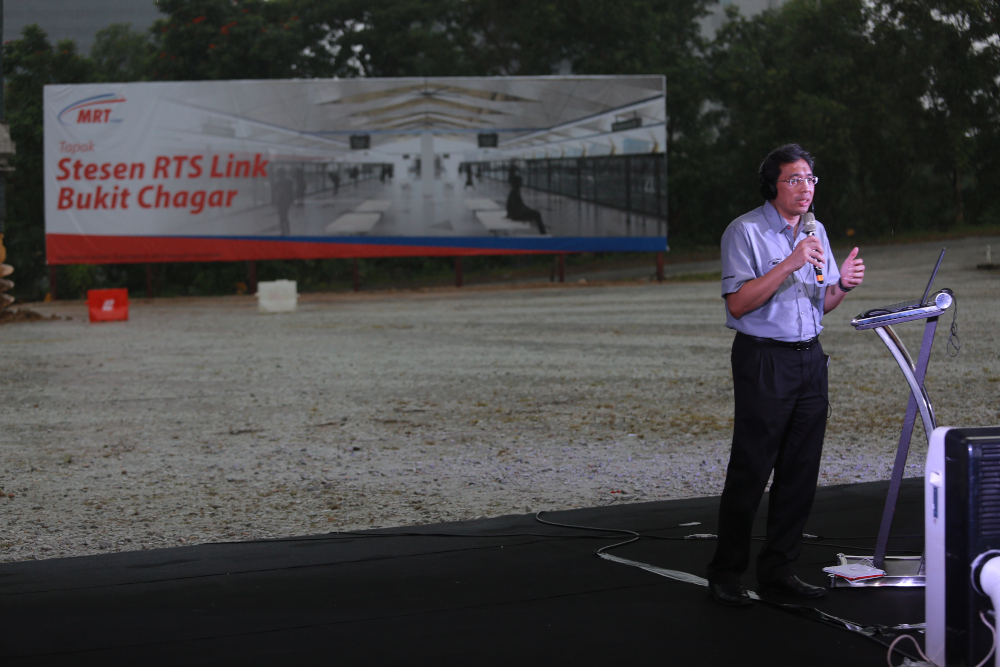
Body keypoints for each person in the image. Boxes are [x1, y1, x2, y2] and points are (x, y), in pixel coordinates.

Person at [706, 143, 865, 606]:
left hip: (809, 359)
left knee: (800, 470)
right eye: (795, 179)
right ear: (772, 185)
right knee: (752, 468)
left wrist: (843, 286)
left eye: (811, 179)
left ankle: (779, 571)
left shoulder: (816, 231)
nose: (806, 187)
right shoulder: (745, 232)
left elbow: (824, 303)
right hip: (763, 359)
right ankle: (726, 573)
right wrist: (790, 262)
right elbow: (738, 302)